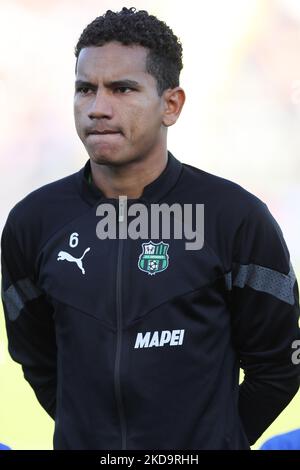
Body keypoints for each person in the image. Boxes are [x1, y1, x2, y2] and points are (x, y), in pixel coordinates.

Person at [1, 6, 299, 451]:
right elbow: (38, 361)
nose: (98, 107)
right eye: (86, 89)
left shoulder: (235, 218)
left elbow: (278, 366)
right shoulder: (32, 222)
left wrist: (213, 442)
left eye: (122, 89)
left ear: (171, 105)